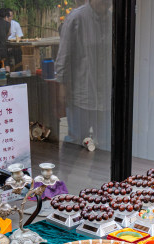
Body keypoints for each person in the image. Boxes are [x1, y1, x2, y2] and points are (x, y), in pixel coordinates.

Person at [55, 0, 112, 149]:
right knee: (76, 141)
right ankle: (66, 172)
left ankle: (97, 172)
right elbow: (64, 56)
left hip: (106, 97)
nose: (105, 2)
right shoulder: (76, 18)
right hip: (82, 94)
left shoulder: (112, 20)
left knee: (106, 144)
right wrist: (62, 87)